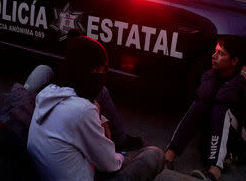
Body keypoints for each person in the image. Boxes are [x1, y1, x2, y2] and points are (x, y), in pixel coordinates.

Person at [27, 34, 165, 180]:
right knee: (154, 155)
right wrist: (123, 158)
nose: (102, 75)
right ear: (91, 70)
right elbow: (109, 164)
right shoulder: (82, 111)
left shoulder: (46, 94)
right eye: (100, 69)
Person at [164, 36, 246, 181]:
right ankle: (169, 156)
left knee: (221, 109)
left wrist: (240, 78)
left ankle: (214, 171)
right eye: (215, 52)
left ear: (234, 61)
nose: (214, 56)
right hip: (216, 135)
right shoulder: (210, 74)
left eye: (221, 54)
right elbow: (206, 94)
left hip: (240, 139)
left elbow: (223, 96)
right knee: (200, 104)